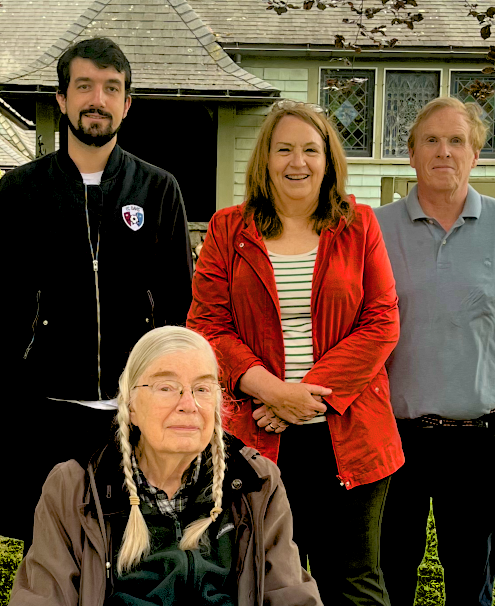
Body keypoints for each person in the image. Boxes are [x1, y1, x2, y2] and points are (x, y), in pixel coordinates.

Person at [188, 100, 401, 605]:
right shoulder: (227, 229)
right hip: (253, 435)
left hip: (348, 434)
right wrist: (274, 392)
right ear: (265, 159)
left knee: (354, 581)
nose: (297, 162)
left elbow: (381, 321)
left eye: (310, 149)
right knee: (260, 579)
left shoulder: (359, 225)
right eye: (283, 149)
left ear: (328, 161)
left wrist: (307, 398)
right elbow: (206, 326)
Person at [0, 37, 194, 550]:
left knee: (132, 551)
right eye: (83, 86)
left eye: (111, 88)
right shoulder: (22, 191)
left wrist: (163, 398)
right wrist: (14, 411)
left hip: (132, 412)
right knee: (52, 555)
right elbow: (1, 314)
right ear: (62, 98)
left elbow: (176, 307)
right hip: (47, 410)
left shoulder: (158, 188)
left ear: (127, 103)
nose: (96, 99)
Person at [10, 325, 321, 605]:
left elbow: (289, 593)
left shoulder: (255, 483)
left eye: (202, 389)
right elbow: (42, 597)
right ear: (130, 405)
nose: (188, 404)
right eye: (166, 388)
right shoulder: (75, 487)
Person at [373, 97, 495, 606]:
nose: (444, 151)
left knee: (471, 581)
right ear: (410, 154)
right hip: (391, 439)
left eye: (457, 141)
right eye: (431, 140)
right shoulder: (373, 230)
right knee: (388, 574)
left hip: (477, 439)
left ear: (476, 154)